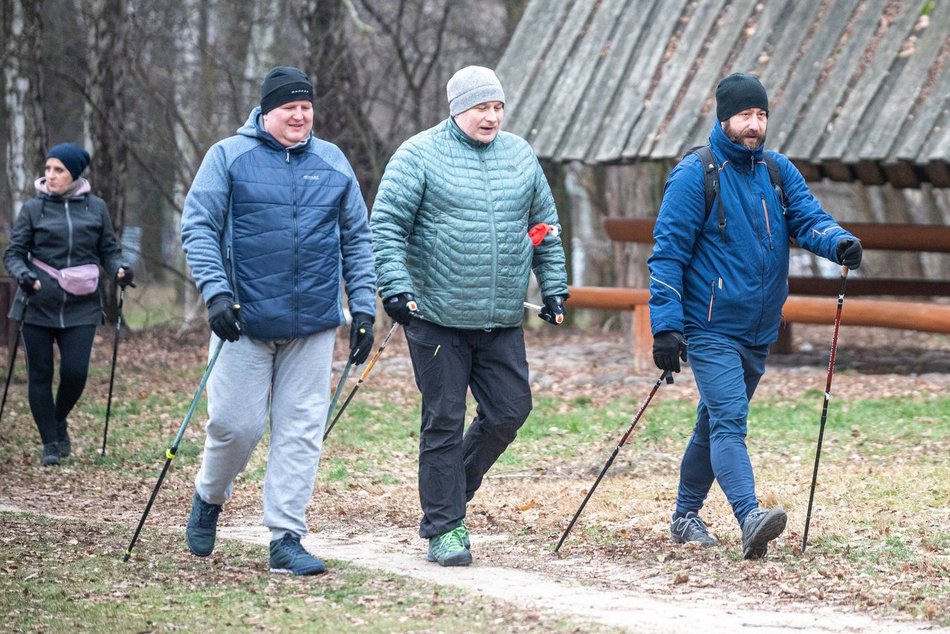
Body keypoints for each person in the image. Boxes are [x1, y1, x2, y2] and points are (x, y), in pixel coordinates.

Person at [648, 73, 863, 559]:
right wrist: (666, 327)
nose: (754, 124)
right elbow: (667, 257)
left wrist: (839, 243)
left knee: (712, 421)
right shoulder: (694, 175)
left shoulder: (776, 171)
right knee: (729, 419)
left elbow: (809, 220)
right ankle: (750, 515)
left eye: (761, 115)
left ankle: (684, 515)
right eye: (745, 115)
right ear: (724, 117)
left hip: (759, 328)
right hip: (710, 327)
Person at [179, 66, 376, 576]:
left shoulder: (332, 161)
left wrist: (364, 308)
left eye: (306, 106)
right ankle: (209, 495)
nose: (299, 115)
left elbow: (357, 238)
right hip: (242, 321)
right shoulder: (228, 157)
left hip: (312, 323)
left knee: (301, 429)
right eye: (289, 106)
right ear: (266, 111)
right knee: (234, 426)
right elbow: (197, 225)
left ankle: (286, 537)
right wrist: (216, 293)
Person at [370, 65, 569, 567]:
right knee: (444, 419)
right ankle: (446, 527)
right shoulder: (418, 154)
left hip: (500, 318)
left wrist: (555, 289)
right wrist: (394, 287)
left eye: (498, 107)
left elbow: (545, 226)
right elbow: (387, 225)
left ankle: (449, 494)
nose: (492, 116)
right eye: (482, 107)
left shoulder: (520, 155)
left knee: (510, 410)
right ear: (457, 108)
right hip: (435, 315)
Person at [4, 142, 134, 466]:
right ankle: (50, 442)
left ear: (74, 174)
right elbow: (14, 253)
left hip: (81, 305)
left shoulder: (96, 208)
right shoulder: (34, 209)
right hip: (38, 302)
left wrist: (119, 268)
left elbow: (109, 250)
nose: (50, 176)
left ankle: (58, 419)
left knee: (75, 373)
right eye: (48, 169)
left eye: (58, 170)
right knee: (40, 374)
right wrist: (23, 275)